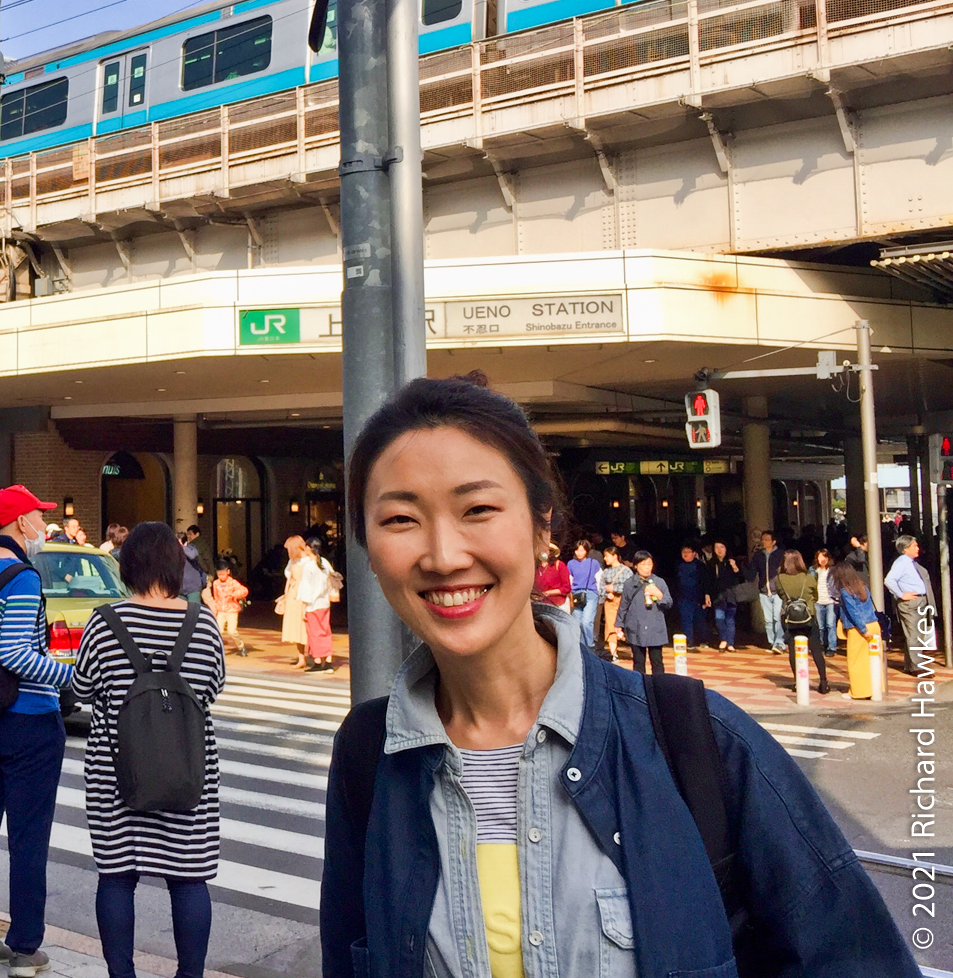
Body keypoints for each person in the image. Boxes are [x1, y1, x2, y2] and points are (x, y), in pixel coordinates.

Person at [319, 375, 920, 978]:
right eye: (400, 519)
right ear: (367, 548)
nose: (444, 556)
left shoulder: (696, 740)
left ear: (542, 527)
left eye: (477, 509)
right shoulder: (369, 755)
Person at [72, 521, 225, 978]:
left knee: (117, 876)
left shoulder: (104, 622)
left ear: (129, 566)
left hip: (116, 772)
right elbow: (212, 688)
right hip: (187, 769)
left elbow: (82, 686)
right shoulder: (202, 623)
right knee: (188, 878)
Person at [0, 486, 73, 977]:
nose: (43, 526)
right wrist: (72, 675)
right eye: (39, 518)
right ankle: (24, 948)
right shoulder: (22, 577)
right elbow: (18, 654)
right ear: (21, 523)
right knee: (28, 837)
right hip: (29, 721)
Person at [775, 549, 829, 695]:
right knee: (816, 649)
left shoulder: (779, 579)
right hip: (808, 616)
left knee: (793, 649)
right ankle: (823, 682)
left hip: (789, 617)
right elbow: (815, 596)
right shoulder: (809, 577)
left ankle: (797, 681)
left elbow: (781, 595)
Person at [617, 550, 672, 675]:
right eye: (643, 564)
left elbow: (669, 603)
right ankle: (640, 685)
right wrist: (619, 625)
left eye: (649, 564)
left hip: (655, 626)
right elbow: (624, 605)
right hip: (635, 626)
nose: (647, 567)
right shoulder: (630, 583)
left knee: (657, 661)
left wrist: (658, 595)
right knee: (638, 662)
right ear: (636, 566)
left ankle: (659, 684)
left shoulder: (659, 582)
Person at [886, 534, 934, 675]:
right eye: (914, 546)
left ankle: (910, 665)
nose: (917, 548)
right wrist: (901, 594)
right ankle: (917, 667)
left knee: (917, 634)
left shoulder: (910, 562)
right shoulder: (901, 562)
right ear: (905, 548)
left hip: (919, 601)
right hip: (911, 603)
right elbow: (889, 580)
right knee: (914, 635)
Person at [834, 561, 881, 699]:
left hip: (858, 629)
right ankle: (875, 689)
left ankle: (858, 691)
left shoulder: (845, 591)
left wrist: (863, 629)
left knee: (856, 661)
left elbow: (853, 612)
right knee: (873, 660)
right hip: (874, 624)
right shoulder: (863, 587)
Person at [295, 535, 335, 673]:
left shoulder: (309, 566)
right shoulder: (325, 563)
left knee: (314, 633)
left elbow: (305, 588)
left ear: (308, 548)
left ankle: (318, 661)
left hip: (312, 605)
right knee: (325, 631)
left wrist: (303, 607)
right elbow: (332, 579)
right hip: (324, 602)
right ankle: (328, 659)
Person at [278, 536, 312, 670]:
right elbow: (288, 575)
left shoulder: (309, 560)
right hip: (293, 594)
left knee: (305, 626)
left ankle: (315, 656)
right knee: (296, 627)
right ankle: (301, 657)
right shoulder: (293, 561)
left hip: (303, 594)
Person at [750, 530, 785, 653]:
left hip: (778, 591)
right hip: (764, 591)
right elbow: (751, 573)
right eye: (763, 539)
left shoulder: (781, 554)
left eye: (767, 540)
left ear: (773, 542)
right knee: (768, 620)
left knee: (777, 618)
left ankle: (779, 643)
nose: (763, 542)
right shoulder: (758, 556)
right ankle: (772, 642)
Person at [704, 539, 741, 652]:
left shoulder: (732, 561)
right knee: (719, 618)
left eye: (721, 547)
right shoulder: (711, 563)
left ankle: (730, 643)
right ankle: (723, 639)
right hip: (718, 596)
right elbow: (708, 581)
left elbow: (741, 577)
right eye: (716, 547)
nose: (719, 550)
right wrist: (707, 595)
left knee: (730, 619)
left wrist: (735, 567)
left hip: (731, 595)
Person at [594, 545, 630, 661]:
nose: (605, 559)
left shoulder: (626, 571)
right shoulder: (606, 572)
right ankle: (613, 654)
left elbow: (629, 587)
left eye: (607, 556)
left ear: (615, 556)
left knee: (625, 624)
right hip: (610, 602)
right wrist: (606, 593)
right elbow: (601, 587)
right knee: (610, 626)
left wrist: (614, 589)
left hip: (624, 601)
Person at [209, 559, 249, 655]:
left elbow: (244, 590)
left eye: (223, 574)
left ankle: (241, 646)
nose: (221, 576)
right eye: (219, 574)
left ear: (228, 572)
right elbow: (216, 597)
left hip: (231, 610)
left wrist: (234, 595)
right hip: (221, 610)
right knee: (218, 630)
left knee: (232, 631)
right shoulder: (216, 583)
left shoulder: (233, 582)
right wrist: (215, 610)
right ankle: (216, 649)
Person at [566, 540, 600, 648]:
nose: (579, 553)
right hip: (576, 593)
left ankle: (590, 645)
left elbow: (599, 578)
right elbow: (569, 580)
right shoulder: (571, 564)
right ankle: (580, 646)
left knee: (587, 621)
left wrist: (599, 594)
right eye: (577, 550)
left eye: (582, 550)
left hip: (590, 593)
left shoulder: (594, 563)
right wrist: (570, 596)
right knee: (577, 622)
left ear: (587, 551)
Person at [673, 542, 705, 650]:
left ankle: (702, 639)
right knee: (686, 619)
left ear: (694, 553)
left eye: (688, 552)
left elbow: (705, 582)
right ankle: (689, 641)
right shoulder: (678, 565)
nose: (686, 554)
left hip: (697, 597)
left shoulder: (700, 566)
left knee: (699, 620)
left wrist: (705, 596)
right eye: (683, 552)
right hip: (683, 597)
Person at [813, 548, 839, 656]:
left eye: (824, 557)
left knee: (830, 624)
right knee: (820, 626)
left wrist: (837, 597)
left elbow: (837, 584)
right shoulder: (813, 570)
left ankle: (831, 647)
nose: (822, 559)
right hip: (818, 601)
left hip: (830, 601)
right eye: (820, 557)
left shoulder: (833, 570)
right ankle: (821, 645)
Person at [533, 543, 571, 610]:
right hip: (540, 605)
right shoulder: (536, 567)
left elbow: (566, 588)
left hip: (558, 605)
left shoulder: (559, 565)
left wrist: (548, 593)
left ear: (550, 552)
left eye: (546, 550)